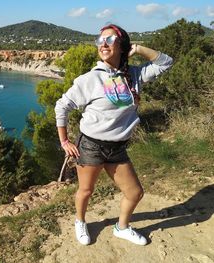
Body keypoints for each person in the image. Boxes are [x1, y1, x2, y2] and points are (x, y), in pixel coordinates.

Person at [55, 24, 173, 246]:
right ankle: (80, 221)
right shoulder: (89, 79)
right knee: (86, 190)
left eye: (109, 40)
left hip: (117, 148)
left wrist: (137, 48)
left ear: (122, 46)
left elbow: (165, 62)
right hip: (91, 146)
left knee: (135, 192)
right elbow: (62, 107)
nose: (103, 44)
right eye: (100, 41)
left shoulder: (134, 76)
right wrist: (64, 141)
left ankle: (122, 227)